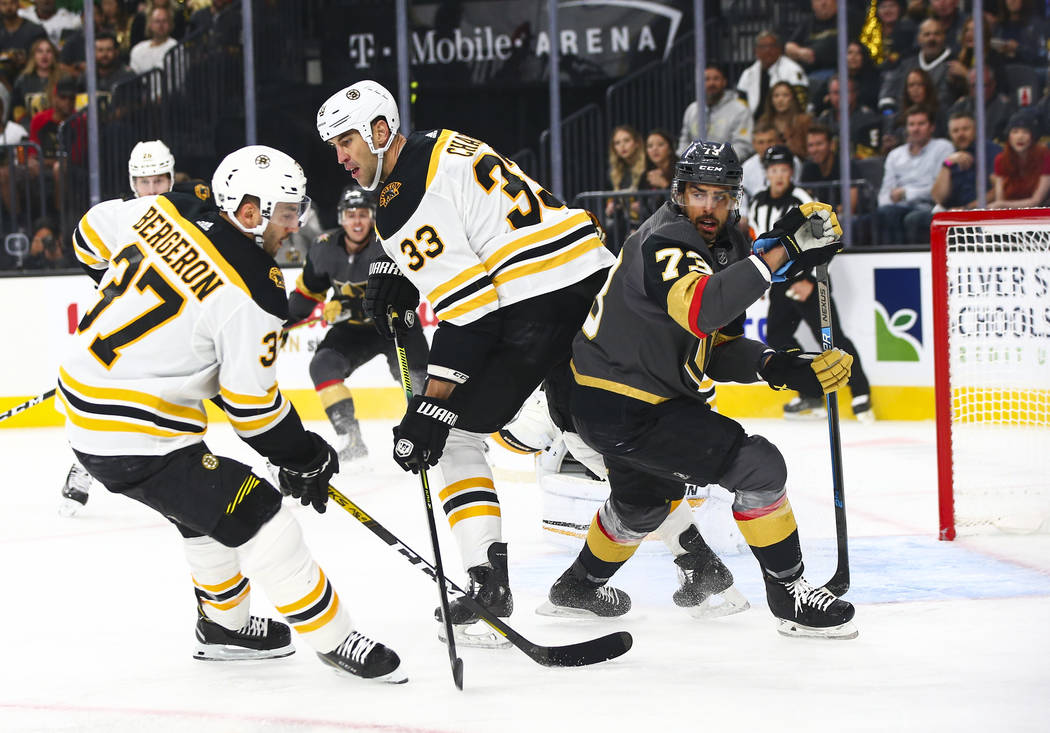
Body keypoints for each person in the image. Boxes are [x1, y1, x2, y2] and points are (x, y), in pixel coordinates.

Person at [58, 144, 405, 682]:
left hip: (91, 407)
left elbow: (85, 234)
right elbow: (252, 408)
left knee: (202, 512)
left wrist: (117, 294)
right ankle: (337, 640)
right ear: (250, 212)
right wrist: (305, 454)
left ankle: (224, 629)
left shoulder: (165, 209)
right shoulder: (254, 286)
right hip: (134, 436)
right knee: (262, 516)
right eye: (288, 213)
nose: (294, 226)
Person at [316, 79, 615, 647]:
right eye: (333, 145)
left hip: (536, 300)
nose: (341, 157)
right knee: (585, 426)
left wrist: (431, 409)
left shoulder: (397, 201)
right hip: (593, 276)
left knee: (451, 435)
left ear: (381, 132)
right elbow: (471, 225)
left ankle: (488, 589)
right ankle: (699, 564)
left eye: (347, 140)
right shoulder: (444, 141)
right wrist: (399, 267)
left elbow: (473, 316)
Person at [540, 139, 858, 639]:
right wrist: (783, 251)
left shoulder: (723, 245)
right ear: (679, 192)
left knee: (642, 502)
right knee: (759, 466)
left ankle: (578, 588)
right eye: (697, 194)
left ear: (735, 198)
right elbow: (701, 310)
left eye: (720, 195)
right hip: (628, 405)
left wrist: (780, 366)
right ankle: (790, 592)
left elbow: (716, 343)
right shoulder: (664, 240)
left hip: (616, 402)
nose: (708, 206)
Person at [499, 389, 751, 619]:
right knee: (651, 487)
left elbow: (523, 432)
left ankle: (582, 586)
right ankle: (701, 567)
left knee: (642, 498)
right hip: (645, 408)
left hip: (596, 417)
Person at [59, 139, 207, 516]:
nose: (152, 190)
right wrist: (107, 283)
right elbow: (82, 244)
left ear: (172, 178)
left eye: (159, 180)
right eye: (144, 182)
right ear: (132, 183)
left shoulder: (190, 210)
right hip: (131, 331)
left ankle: (270, 453)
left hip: (178, 324)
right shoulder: (119, 217)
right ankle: (82, 464)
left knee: (215, 381)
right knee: (96, 391)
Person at [286, 186, 428, 463]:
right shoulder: (323, 248)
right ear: (341, 218)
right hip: (353, 331)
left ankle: (435, 434)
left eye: (363, 214)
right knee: (322, 366)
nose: (357, 221)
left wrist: (348, 306)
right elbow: (306, 295)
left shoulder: (389, 241)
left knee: (420, 382)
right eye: (351, 215)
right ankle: (350, 437)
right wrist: (280, 320)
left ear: (373, 216)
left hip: (396, 325)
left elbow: (410, 286)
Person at [752, 145, 874, 421]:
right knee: (777, 338)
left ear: (791, 172)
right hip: (782, 281)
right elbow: (759, 241)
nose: (779, 175)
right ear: (767, 173)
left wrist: (809, 278)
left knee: (832, 338)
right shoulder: (757, 201)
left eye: (784, 170)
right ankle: (810, 395)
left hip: (811, 280)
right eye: (773, 170)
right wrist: (759, 277)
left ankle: (861, 395)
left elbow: (827, 240)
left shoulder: (802, 198)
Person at [877, 106, 954, 244]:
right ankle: (892, 259)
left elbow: (937, 190)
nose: (915, 129)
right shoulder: (895, 155)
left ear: (932, 127)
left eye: (921, 124)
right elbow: (885, 193)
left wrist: (906, 193)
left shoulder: (943, 148)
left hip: (929, 206)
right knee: (884, 213)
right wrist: (888, 202)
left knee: (912, 219)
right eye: (911, 124)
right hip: (899, 207)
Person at [677, 63, 752, 160]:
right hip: (695, 170)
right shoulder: (692, 109)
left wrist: (716, 160)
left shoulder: (740, 110)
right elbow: (684, 142)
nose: (711, 83)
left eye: (716, 79)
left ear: (724, 82)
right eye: (706, 79)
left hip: (727, 170)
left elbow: (743, 146)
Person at [929, 111, 1001, 212]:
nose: (960, 134)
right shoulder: (949, 153)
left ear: (975, 130)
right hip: (952, 210)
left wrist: (968, 207)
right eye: (955, 131)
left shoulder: (989, 151)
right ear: (950, 134)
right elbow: (938, 198)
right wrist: (947, 164)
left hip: (982, 210)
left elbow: (998, 190)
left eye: (965, 129)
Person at [735, 31, 808, 122]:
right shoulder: (748, 73)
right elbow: (740, 103)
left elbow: (801, 103)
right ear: (756, 51)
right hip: (753, 123)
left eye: (772, 46)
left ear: (779, 49)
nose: (768, 50)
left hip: (784, 121)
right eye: (763, 47)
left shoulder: (793, 70)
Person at [989, 111, 1050, 209]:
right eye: (1015, 131)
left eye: (1025, 132)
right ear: (1009, 136)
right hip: (1010, 214)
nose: (1020, 136)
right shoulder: (1001, 159)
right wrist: (1001, 205)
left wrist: (1002, 205)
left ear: (1032, 136)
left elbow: (1037, 201)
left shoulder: (1045, 156)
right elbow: (1000, 198)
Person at [947, 66, 1017, 144]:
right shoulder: (960, 106)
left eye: (983, 85)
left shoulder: (1006, 108)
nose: (978, 90)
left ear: (993, 84)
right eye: (973, 86)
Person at [604, 124, 645, 242]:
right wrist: (611, 206)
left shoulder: (647, 167)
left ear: (637, 143)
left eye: (626, 140)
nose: (622, 146)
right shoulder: (615, 173)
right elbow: (612, 200)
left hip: (646, 221)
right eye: (617, 143)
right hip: (626, 223)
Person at [756, 80, 811, 160]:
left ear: (792, 98)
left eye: (785, 95)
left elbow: (809, 150)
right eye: (776, 96)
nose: (780, 100)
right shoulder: (764, 121)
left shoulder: (804, 121)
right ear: (771, 100)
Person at [635, 128, 676, 223]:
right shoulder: (645, 175)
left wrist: (665, 185)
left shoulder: (680, 171)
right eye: (650, 146)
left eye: (660, 145)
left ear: (670, 149)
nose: (654, 149)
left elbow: (683, 202)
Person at [129, 5, 177, 74]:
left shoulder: (175, 47)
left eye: (164, 21)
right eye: (157, 21)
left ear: (170, 24)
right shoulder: (138, 50)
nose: (161, 25)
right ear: (150, 24)